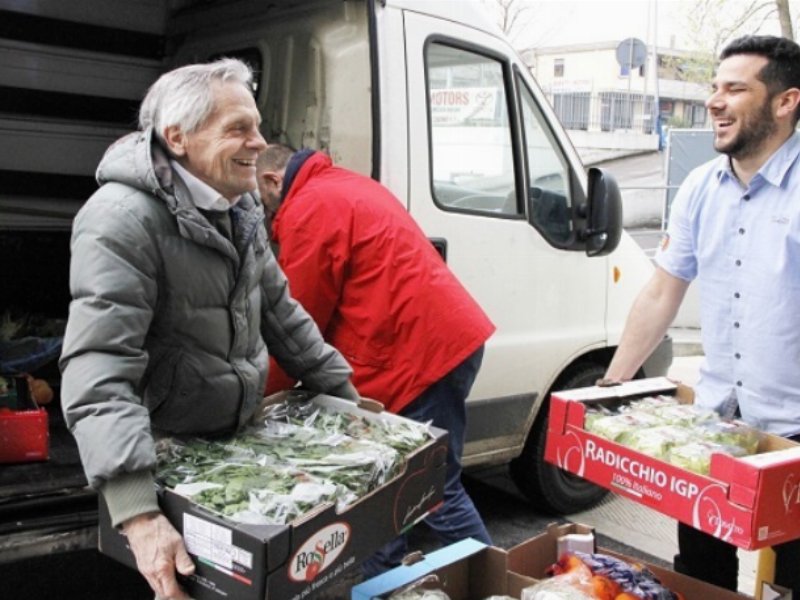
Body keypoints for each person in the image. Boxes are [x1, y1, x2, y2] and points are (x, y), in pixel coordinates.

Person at [59, 59, 359, 600]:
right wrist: (138, 513)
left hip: (230, 448)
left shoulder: (238, 202)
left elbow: (279, 308)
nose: (260, 143)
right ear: (177, 138)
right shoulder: (120, 220)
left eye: (258, 126)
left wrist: (343, 396)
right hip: (166, 464)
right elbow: (98, 369)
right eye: (239, 129)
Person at [603, 35, 800, 594]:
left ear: (785, 103)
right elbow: (663, 291)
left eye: (735, 88)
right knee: (699, 573)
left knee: (788, 578)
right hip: (713, 426)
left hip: (794, 431)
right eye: (714, 87)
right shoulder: (698, 187)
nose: (715, 100)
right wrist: (615, 383)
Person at [257, 144, 496, 577]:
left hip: (422, 357)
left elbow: (295, 322)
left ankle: (496, 581)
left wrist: (258, 397)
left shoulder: (308, 208)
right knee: (383, 488)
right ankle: (386, 583)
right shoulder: (342, 184)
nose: (264, 214)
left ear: (273, 179)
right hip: (440, 342)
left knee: (430, 488)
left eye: (260, 198)